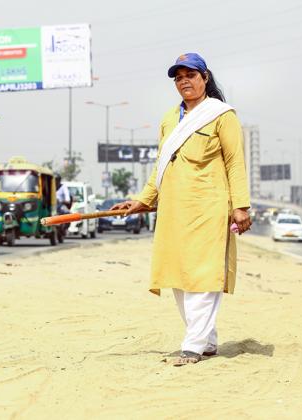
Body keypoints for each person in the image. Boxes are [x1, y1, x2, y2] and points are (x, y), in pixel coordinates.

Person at [111, 53, 252, 366]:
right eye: (178, 77)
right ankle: (207, 340)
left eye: (191, 74)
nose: (184, 81)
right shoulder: (168, 119)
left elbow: (234, 161)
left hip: (209, 207)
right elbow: (160, 167)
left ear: (205, 78)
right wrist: (143, 199)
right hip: (173, 210)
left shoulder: (221, 115)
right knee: (178, 275)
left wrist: (240, 206)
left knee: (203, 275)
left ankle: (192, 346)